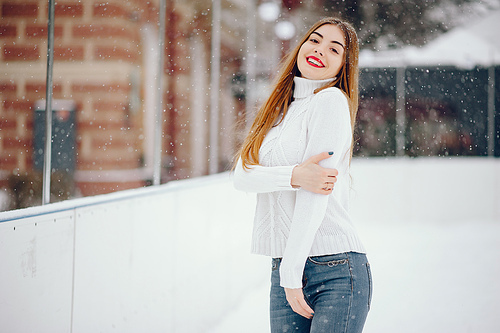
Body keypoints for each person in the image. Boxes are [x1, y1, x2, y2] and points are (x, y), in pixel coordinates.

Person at [233, 17, 371, 332]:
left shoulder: (331, 102)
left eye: (334, 49)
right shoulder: (279, 109)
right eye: (315, 40)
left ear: (342, 67)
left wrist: (293, 273)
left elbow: (315, 196)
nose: (320, 50)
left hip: (335, 268)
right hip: (285, 265)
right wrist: (294, 175)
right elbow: (242, 175)